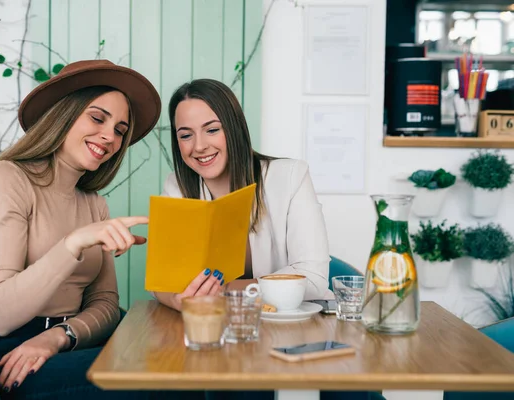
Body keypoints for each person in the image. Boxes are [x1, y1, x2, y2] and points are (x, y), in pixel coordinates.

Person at [0, 59, 160, 399]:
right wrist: (72, 243)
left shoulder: (93, 203)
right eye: (97, 117)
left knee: (177, 359)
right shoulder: (6, 179)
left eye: (120, 130)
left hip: (59, 340)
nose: (110, 136)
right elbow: (1, 316)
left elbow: (105, 304)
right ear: (63, 114)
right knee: (156, 381)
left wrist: (60, 336)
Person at [153, 78, 379, 400]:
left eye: (212, 129)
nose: (198, 146)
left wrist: (223, 292)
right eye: (185, 135)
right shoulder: (177, 186)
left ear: (234, 129)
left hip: (292, 333)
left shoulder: (289, 177)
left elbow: (313, 279)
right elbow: (164, 280)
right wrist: (178, 299)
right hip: (222, 337)